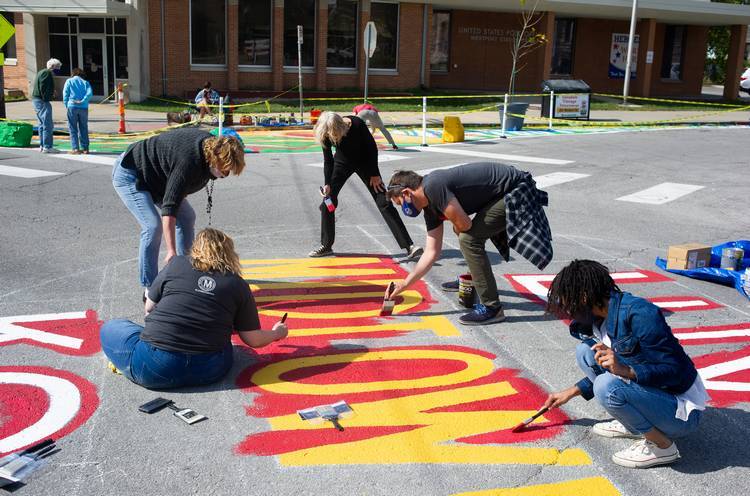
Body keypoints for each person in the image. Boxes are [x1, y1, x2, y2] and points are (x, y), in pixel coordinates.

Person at [542, 260, 708, 468]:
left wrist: (626, 370)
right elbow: (613, 366)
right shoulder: (598, 317)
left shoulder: (640, 314)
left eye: (569, 305)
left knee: (605, 386)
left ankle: (662, 447)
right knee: (585, 352)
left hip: (681, 413)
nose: (567, 311)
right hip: (655, 396)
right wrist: (571, 392)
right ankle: (633, 424)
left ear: (584, 297)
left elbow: (675, 372)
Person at [100, 228, 288, 389]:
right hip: (210, 369)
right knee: (226, 345)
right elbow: (253, 339)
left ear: (195, 248)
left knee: (113, 327)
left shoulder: (177, 264)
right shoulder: (237, 284)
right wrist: (276, 333)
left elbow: (149, 307)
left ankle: (132, 362)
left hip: (155, 367)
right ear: (230, 253)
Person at [385, 163, 552, 325]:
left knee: (469, 239)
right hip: (500, 192)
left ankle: (491, 307)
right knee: (466, 235)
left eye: (400, 203)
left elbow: (465, 225)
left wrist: (458, 225)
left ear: (406, 192)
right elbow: (431, 252)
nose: (403, 208)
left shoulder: (433, 187)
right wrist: (405, 283)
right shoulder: (429, 208)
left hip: (516, 189)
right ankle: (474, 280)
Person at [112, 128, 245, 298]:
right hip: (131, 173)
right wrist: (171, 251)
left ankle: (187, 272)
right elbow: (169, 208)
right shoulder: (189, 163)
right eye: (224, 170)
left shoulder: (209, 150)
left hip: (158, 179)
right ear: (214, 157)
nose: (225, 174)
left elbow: (178, 192)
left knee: (187, 217)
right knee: (152, 227)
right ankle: (150, 288)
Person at [308, 111, 422, 260]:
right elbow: (328, 160)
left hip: (365, 163)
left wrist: (374, 174)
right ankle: (326, 245)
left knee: (383, 201)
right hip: (341, 163)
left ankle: (409, 246)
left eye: (335, 134)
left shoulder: (356, 124)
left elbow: (371, 148)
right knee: (327, 201)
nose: (333, 137)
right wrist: (327, 183)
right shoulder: (325, 131)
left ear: (341, 126)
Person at [32, 58, 62, 153]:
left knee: (41, 124)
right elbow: (43, 86)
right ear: (53, 66)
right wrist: (47, 98)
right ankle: (47, 146)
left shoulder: (41, 72)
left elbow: (42, 86)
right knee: (47, 124)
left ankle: (42, 145)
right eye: (58, 67)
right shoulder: (47, 73)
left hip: (37, 99)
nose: (58, 69)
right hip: (42, 101)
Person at [62, 68, 93, 155]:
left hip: (72, 106)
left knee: (73, 128)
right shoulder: (85, 82)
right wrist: (83, 101)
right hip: (83, 107)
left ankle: (75, 148)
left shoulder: (69, 81)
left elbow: (65, 94)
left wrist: (66, 104)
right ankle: (85, 148)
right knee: (83, 127)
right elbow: (89, 93)